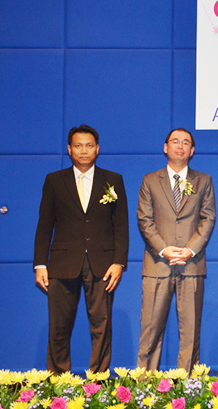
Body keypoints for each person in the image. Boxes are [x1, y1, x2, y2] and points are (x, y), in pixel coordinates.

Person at [33, 124, 129, 373]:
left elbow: (122, 226)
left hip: (103, 264)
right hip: (62, 263)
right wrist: (40, 264)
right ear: (69, 149)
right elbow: (45, 225)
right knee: (59, 326)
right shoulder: (54, 181)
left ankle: (97, 382)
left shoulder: (113, 180)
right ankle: (59, 381)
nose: (83, 151)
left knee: (102, 325)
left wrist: (119, 262)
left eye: (89, 145)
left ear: (97, 149)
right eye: (78, 146)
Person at [136, 128, 216, 371]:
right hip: (158, 263)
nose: (180, 146)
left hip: (191, 265)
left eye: (186, 143)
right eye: (175, 142)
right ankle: (145, 387)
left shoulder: (204, 180)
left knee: (190, 333)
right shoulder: (150, 180)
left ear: (192, 150)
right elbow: (144, 220)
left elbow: (208, 218)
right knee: (150, 331)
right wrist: (164, 249)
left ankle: (187, 389)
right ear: (165, 147)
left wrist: (189, 250)